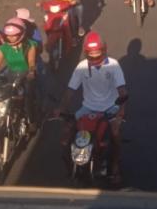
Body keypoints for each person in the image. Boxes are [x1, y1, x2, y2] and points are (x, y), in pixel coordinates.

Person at [55, 31, 128, 186]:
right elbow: (70, 90)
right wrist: (61, 108)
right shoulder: (81, 67)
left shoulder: (114, 65)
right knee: (66, 136)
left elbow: (122, 91)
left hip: (110, 108)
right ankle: (70, 166)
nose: (94, 59)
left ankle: (115, 168)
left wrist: (121, 111)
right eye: (91, 55)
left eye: (97, 55)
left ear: (104, 50)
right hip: (87, 108)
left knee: (115, 134)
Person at [0, 17, 39, 131]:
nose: (10, 38)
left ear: (21, 34)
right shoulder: (4, 48)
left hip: (25, 75)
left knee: (27, 98)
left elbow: (31, 61)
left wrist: (31, 71)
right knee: (0, 95)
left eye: (13, 35)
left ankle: (32, 121)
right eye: (8, 36)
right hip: (11, 74)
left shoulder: (30, 45)